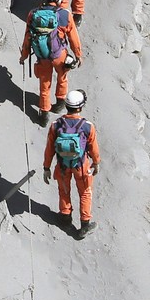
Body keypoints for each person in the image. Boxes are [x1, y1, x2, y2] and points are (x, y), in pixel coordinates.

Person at [20, 0, 82, 122]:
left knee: (44, 82)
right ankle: (60, 102)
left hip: (42, 55)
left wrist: (24, 55)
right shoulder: (65, 15)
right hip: (59, 54)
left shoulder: (33, 14)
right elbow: (73, 37)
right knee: (62, 77)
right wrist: (78, 55)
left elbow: (27, 36)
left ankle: (44, 112)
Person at [44, 89, 99, 237]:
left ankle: (65, 217)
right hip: (81, 165)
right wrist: (96, 163)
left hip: (62, 165)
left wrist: (46, 167)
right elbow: (93, 148)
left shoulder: (56, 124)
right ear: (80, 107)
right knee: (85, 192)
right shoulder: (88, 126)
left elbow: (49, 148)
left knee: (64, 190)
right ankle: (84, 225)